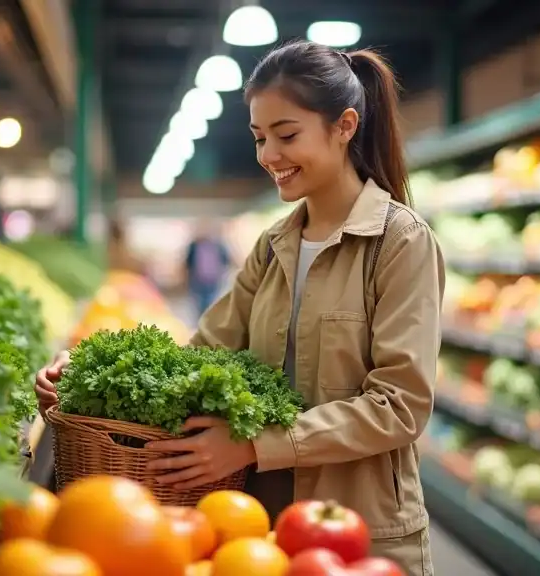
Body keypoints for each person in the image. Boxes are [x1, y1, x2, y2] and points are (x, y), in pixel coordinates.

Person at [35, 40, 443, 576]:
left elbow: (400, 405)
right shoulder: (273, 246)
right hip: (259, 528)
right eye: (259, 137)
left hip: (363, 533)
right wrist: (88, 380)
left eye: (286, 134)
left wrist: (255, 443)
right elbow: (201, 357)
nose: (268, 155)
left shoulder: (399, 243)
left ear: (345, 126)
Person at [184, 222, 232, 315]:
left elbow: (226, 261)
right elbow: (188, 263)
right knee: (199, 304)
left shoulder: (219, 246)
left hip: (213, 279)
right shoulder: (194, 246)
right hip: (197, 280)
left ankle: (208, 321)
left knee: (211, 302)